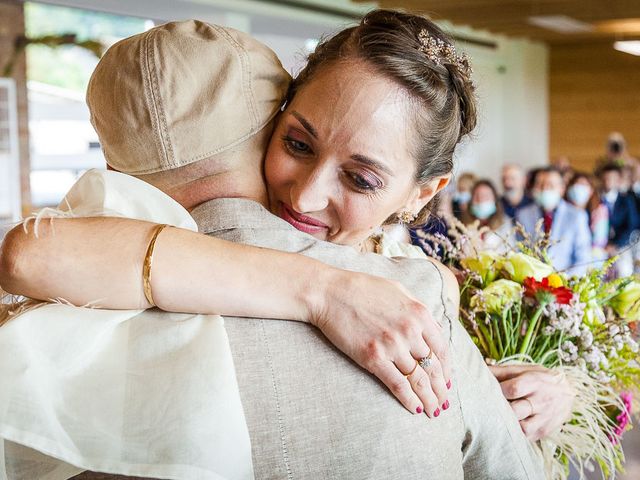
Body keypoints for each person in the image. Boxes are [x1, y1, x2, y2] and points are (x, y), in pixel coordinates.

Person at [0, 13, 556, 478]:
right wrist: (322, 290)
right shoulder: (106, 269)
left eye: (361, 179)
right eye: (297, 143)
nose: (307, 196)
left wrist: (549, 398)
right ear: (271, 120)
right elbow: (28, 255)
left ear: (422, 193)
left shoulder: (420, 279)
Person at [516, 166, 592, 274]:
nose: (544, 189)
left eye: (550, 185)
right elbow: (519, 251)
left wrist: (564, 280)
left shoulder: (577, 216)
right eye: (540, 184)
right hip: (532, 281)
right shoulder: (523, 214)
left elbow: (583, 257)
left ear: (562, 189)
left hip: (566, 281)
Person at [600, 162, 640, 277]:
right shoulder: (595, 199)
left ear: (618, 180)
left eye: (612, 178)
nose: (608, 181)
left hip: (621, 244)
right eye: (606, 178)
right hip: (600, 245)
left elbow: (631, 225)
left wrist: (616, 245)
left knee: (624, 270)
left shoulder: (626, 200)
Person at [566, 173, 609, 262]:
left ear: (591, 190)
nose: (579, 188)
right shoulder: (563, 211)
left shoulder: (599, 210)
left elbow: (599, 240)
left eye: (583, 185)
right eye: (577, 184)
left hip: (592, 254)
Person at [461, 179, 512, 252]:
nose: (481, 200)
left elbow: (511, 252)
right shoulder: (462, 225)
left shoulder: (505, 223)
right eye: (477, 196)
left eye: (486, 196)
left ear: (495, 199)